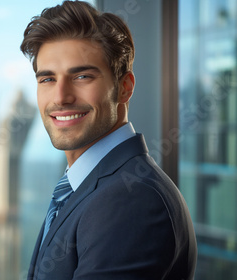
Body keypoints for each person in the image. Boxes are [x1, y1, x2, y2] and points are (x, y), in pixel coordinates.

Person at [20, 1, 197, 279]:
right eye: (48, 79)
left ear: (124, 88)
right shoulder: (85, 186)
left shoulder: (132, 198)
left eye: (82, 76)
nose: (61, 96)